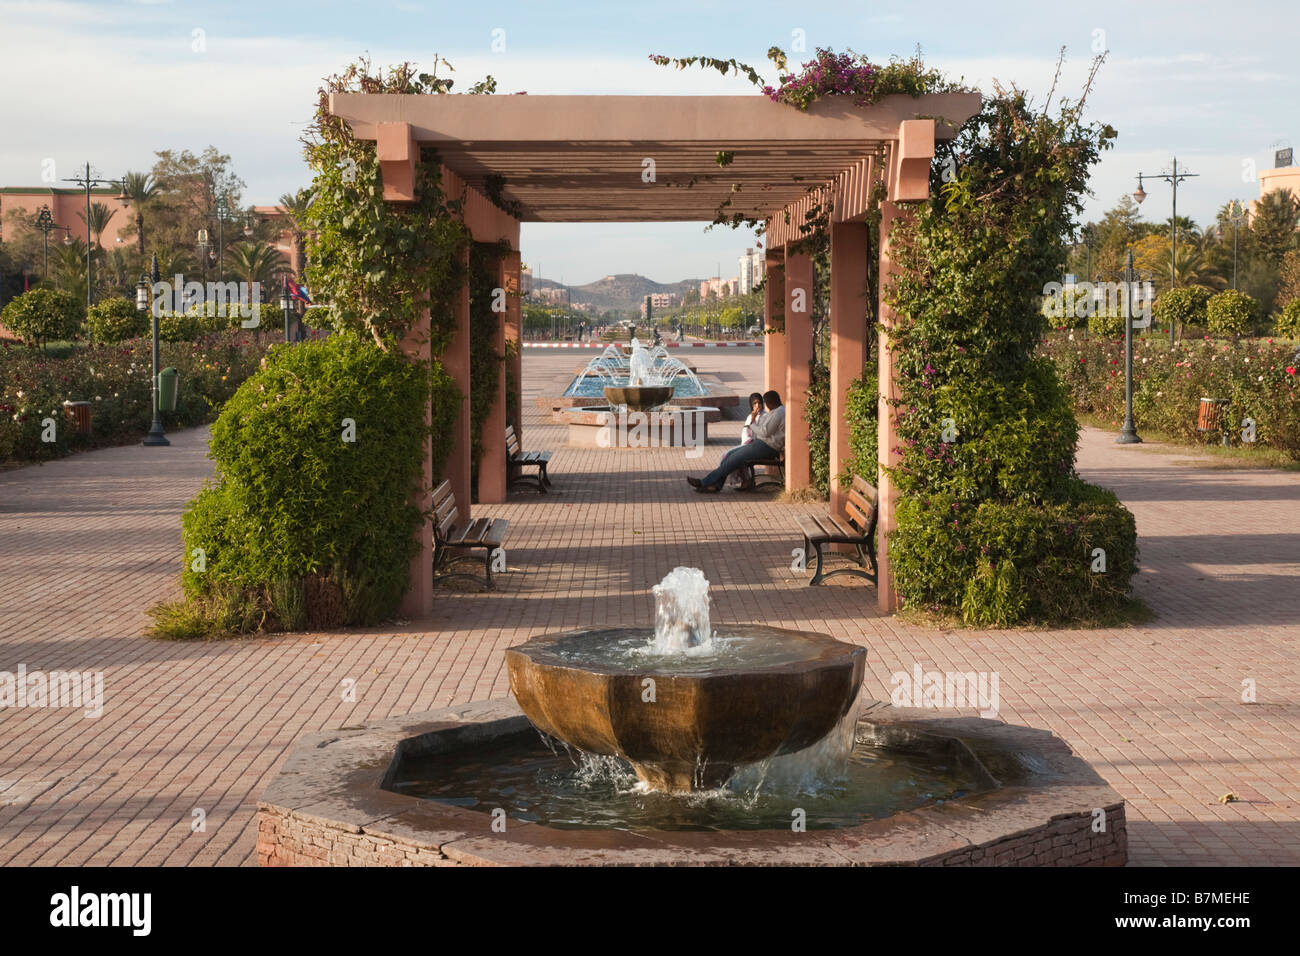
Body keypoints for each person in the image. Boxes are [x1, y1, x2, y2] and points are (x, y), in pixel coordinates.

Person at [688, 390, 784, 493]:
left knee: (733, 459)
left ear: (771, 402)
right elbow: (763, 430)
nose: (765, 406)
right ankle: (715, 486)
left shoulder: (779, 412)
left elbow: (764, 432)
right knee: (729, 456)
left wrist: (751, 425)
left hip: (767, 447)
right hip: (761, 444)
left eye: (765, 403)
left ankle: (704, 482)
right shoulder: (776, 411)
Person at [726, 393, 765, 488]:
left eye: (759, 403)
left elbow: (760, 433)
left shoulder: (765, 416)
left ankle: (746, 480)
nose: (757, 406)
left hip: (757, 446)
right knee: (726, 455)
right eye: (754, 404)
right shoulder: (750, 416)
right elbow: (745, 432)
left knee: (736, 456)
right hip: (748, 445)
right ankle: (745, 479)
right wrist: (752, 418)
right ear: (751, 405)